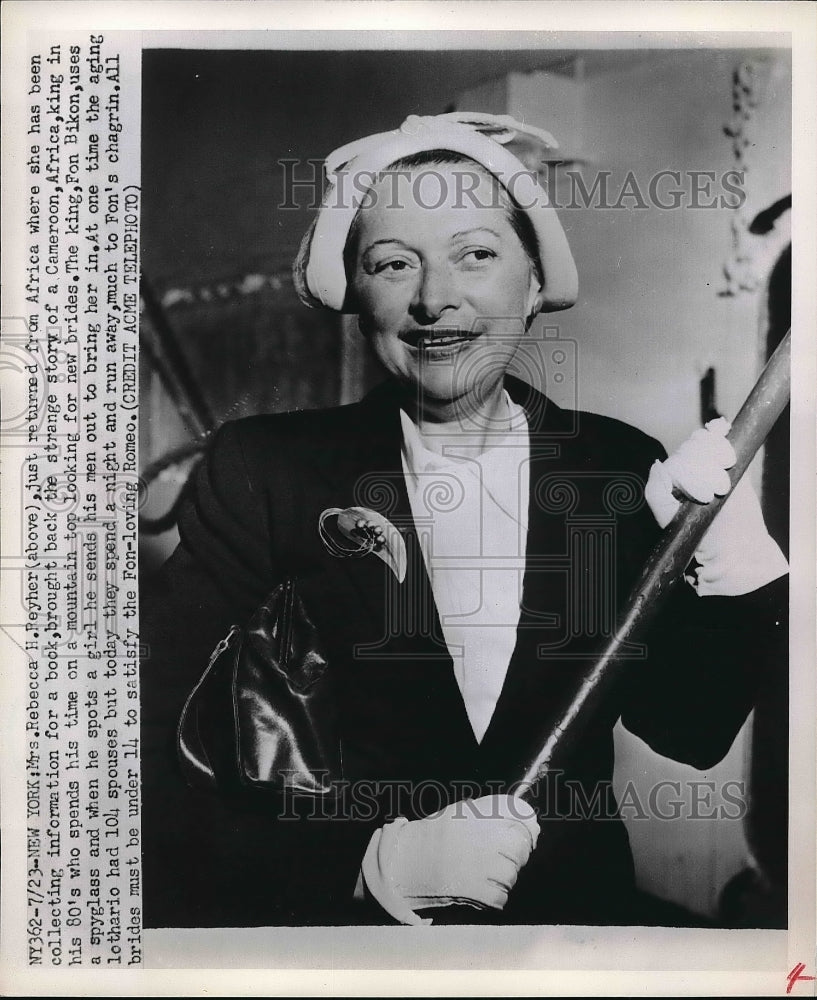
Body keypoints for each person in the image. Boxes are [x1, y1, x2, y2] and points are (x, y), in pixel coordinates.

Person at [140, 113, 788, 928]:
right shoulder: (265, 471)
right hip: (347, 949)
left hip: (567, 938)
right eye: (393, 263)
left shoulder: (615, 466)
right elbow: (153, 754)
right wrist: (365, 866)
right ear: (357, 296)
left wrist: (732, 562)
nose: (434, 298)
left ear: (530, 280)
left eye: (475, 254)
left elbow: (688, 728)